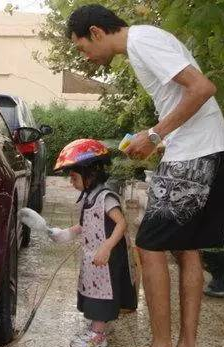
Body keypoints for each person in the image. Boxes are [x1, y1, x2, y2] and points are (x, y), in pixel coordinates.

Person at [66, 4, 224, 347]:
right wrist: (157, 136)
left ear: (96, 32)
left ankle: (161, 343)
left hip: (193, 153)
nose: (86, 57)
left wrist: (154, 135)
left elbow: (202, 88)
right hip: (200, 148)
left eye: (83, 48)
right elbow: (186, 95)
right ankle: (186, 342)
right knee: (187, 247)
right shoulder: (145, 42)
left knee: (149, 245)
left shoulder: (141, 41)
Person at [21, 139, 137, 347]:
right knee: (93, 292)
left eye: (74, 177)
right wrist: (63, 233)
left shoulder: (106, 197)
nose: (71, 182)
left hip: (105, 258)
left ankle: (97, 336)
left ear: (90, 174)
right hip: (92, 256)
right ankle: (98, 326)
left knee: (102, 294)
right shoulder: (88, 197)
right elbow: (86, 225)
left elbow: (122, 224)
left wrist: (107, 247)